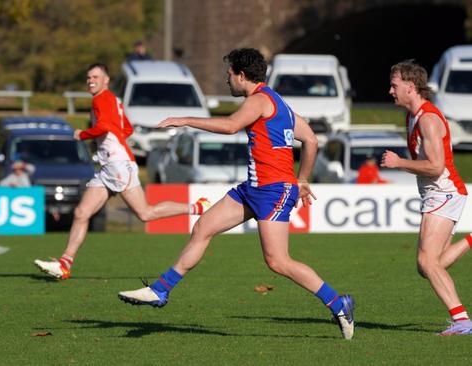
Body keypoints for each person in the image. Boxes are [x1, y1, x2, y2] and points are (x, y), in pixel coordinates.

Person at [117, 48, 355, 340]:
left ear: (242, 76)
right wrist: (303, 179)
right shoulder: (276, 101)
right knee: (204, 227)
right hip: (253, 189)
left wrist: (186, 119)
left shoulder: (259, 100)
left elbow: (231, 126)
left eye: (229, 74)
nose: (226, 79)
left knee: (278, 261)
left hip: (272, 191)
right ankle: (160, 290)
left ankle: (338, 302)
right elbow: (311, 140)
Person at [33, 63, 209, 280]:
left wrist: (84, 134)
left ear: (106, 80)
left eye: (96, 77)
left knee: (145, 213)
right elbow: (127, 128)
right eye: (88, 77)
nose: (91, 80)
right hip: (111, 165)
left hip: (117, 166)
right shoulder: (114, 100)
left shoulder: (100, 99)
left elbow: (105, 126)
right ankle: (65, 264)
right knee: (81, 213)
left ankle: (198, 207)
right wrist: (112, 143)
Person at [382, 60, 472, 336]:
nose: (390, 91)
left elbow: (436, 166)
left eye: (394, 85)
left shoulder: (429, 120)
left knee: (426, 262)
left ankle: (462, 321)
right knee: (432, 265)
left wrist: (398, 164)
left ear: (411, 86)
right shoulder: (412, 116)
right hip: (440, 194)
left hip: (443, 192)